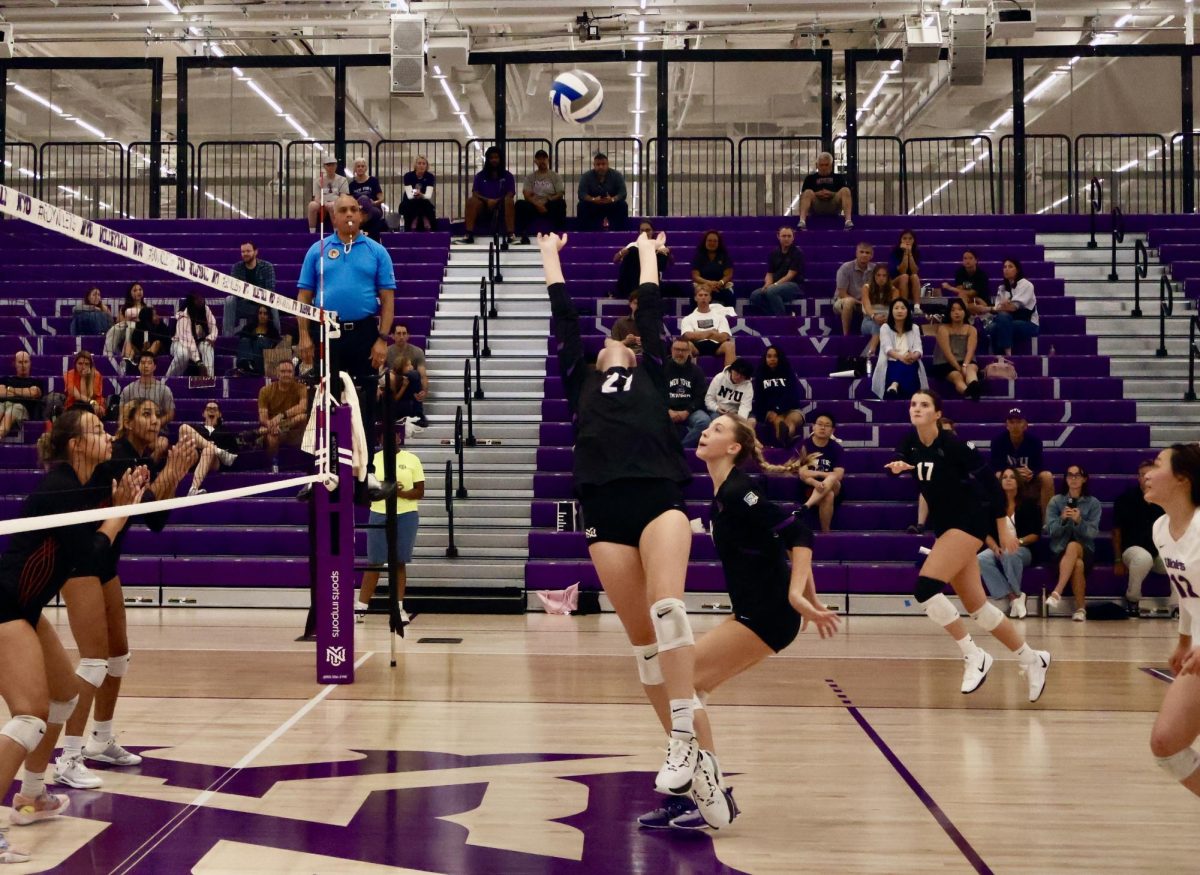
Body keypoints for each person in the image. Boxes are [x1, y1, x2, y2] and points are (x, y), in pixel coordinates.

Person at [540, 229, 732, 829]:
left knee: (669, 607)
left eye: (620, 341)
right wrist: (551, 254)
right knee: (648, 654)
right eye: (606, 344)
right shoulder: (580, 377)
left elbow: (649, 305)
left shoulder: (650, 365)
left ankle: (679, 739)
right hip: (604, 512)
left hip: (657, 499)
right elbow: (564, 315)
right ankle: (708, 782)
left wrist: (646, 249)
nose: (611, 344)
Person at [639, 413, 839, 830]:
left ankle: (711, 792)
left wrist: (797, 595)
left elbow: (799, 534)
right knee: (691, 688)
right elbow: (783, 542)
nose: (706, 432)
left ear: (733, 448)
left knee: (679, 680)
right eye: (707, 427)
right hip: (755, 612)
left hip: (766, 615)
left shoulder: (739, 490)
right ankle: (699, 794)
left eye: (716, 430)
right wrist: (808, 597)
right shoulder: (719, 496)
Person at [0, 409, 147, 863]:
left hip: (23, 606)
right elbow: (91, 558)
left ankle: (33, 795)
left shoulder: (81, 488)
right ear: (75, 445)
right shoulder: (62, 489)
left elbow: (91, 552)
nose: (107, 436)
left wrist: (125, 503)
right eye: (97, 431)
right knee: (29, 716)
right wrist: (117, 518)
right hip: (5, 605)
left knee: (63, 698)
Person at [48, 399, 196, 793]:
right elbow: (146, 508)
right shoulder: (117, 459)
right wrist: (170, 472)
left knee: (117, 657)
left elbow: (154, 516)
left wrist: (175, 472)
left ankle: (101, 738)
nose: (154, 421)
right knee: (94, 662)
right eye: (145, 414)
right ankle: (69, 757)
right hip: (80, 564)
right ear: (126, 423)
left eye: (156, 414)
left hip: (104, 563)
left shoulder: (123, 458)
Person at [886, 389, 1051, 701]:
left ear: (937, 414)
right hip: (945, 525)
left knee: (925, 589)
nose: (916, 409)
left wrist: (1002, 527)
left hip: (970, 521)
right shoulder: (909, 442)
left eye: (924, 405)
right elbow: (899, 463)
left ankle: (973, 654)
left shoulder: (953, 446)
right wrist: (898, 468)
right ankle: (1033, 659)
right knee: (978, 609)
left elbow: (992, 486)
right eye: (913, 404)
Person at [296, 193, 397, 500]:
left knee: (364, 404)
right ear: (333, 217)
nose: (350, 214)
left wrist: (382, 338)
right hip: (328, 331)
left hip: (365, 333)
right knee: (324, 402)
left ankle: (366, 478)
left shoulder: (377, 251)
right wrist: (304, 336)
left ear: (362, 216)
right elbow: (304, 297)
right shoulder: (319, 250)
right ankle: (320, 475)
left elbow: (388, 299)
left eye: (355, 209)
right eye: (344, 210)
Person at [1144, 443, 1200, 798]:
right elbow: (1188, 593)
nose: (1147, 472)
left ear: (1182, 478)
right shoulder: (1161, 529)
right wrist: (1183, 640)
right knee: (1166, 743)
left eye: (1158, 464)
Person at [356, 442, 424, 625]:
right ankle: (361, 608)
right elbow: (365, 489)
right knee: (374, 562)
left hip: (406, 515)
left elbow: (420, 491)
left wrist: (400, 492)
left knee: (399, 562)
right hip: (379, 512)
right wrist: (383, 489)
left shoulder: (412, 459)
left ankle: (398, 607)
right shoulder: (373, 460)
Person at [978, 468, 1041, 619]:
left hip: (1023, 548)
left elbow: (1035, 535)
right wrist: (994, 547)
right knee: (980, 559)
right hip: (998, 546)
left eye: (1012, 477)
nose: (1008, 479)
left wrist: (1017, 542)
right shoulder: (993, 505)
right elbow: (985, 533)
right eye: (1005, 477)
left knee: (1009, 553)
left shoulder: (1029, 504)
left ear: (1018, 482)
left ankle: (1016, 597)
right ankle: (1015, 597)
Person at [1044, 464, 1102, 621]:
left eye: (1077, 475)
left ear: (1084, 479)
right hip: (1059, 551)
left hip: (1085, 550)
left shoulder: (1093, 503)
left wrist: (1079, 521)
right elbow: (1050, 531)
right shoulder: (1056, 501)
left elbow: (1092, 533)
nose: (1074, 478)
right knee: (1077, 565)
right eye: (1070, 475)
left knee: (1074, 546)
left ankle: (1057, 591)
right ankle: (1081, 609)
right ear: (1066, 479)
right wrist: (1062, 520)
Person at [1114, 460, 1167, 614]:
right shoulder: (1126, 498)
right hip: (1132, 550)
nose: (1147, 478)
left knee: (1177, 560)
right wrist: (1118, 560)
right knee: (1143, 558)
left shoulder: (1165, 499)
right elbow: (1116, 532)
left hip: (1158, 551)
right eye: (1143, 475)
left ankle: (1176, 606)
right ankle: (1132, 599)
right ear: (1138, 478)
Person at [989, 408, 1055, 513]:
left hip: (1028, 480)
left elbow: (1039, 465)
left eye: (1019, 422)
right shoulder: (998, 442)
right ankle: (999, 519)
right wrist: (1014, 473)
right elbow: (994, 466)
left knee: (1047, 476)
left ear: (1025, 425)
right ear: (1007, 425)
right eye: (1011, 422)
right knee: (997, 475)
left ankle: (1047, 524)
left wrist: (1032, 473)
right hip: (1008, 478)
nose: (1015, 426)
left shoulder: (1035, 442)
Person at [797, 411, 845, 534]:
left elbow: (838, 475)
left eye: (827, 425)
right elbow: (802, 473)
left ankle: (806, 505)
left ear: (832, 430)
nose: (822, 427)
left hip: (834, 486)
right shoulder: (804, 445)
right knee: (828, 495)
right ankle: (826, 533)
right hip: (809, 486)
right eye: (820, 424)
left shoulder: (836, 448)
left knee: (833, 479)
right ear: (814, 426)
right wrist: (815, 482)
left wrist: (819, 475)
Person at [257, 360, 309, 472]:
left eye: (289, 371)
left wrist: (281, 416)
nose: (286, 374)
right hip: (274, 430)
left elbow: (303, 407)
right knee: (272, 437)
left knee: (302, 417)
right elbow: (263, 417)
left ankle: (307, 465)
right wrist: (270, 424)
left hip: (294, 430)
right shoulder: (265, 391)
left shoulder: (301, 388)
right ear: (277, 373)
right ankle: (273, 465)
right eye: (283, 371)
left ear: (293, 374)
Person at [873, 298, 927, 400]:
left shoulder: (914, 327)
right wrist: (901, 357)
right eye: (896, 308)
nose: (899, 311)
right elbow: (887, 348)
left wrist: (913, 356)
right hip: (891, 361)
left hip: (911, 360)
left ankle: (894, 385)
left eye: (903, 308)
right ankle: (896, 386)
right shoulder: (885, 327)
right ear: (891, 311)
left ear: (908, 311)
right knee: (903, 367)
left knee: (909, 367)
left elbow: (918, 348)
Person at [180, 401, 239, 496]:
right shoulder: (197, 428)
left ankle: (194, 488)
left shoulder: (226, 432)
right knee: (183, 428)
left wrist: (209, 449)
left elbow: (232, 457)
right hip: (194, 458)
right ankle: (216, 450)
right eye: (208, 409)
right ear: (203, 414)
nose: (211, 411)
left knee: (208, 451)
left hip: (214, 462)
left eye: (215, 409)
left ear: (219, 414)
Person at [119, 351, 175, 449]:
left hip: (157, 432)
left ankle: (151, 464)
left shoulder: (164, 389)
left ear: (154, 367)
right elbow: (122, 414)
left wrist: (154, 424)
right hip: (134, 432)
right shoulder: (128, 389)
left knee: (162, 444)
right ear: (138, 366)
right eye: (143, 363)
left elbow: (170, 414)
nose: (146, 366)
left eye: (149, 363)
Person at [462, 146, 516, 244]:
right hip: (484, 207)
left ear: (500, 159)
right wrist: (488, 200)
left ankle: (510, 235)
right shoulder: (479, 176)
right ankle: (469, 235)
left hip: (501, 207)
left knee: (509, 201)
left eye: (496, 157)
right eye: (491, 158)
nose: (494, 160)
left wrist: (497, 201)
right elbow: (475, 193)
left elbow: (510, 193)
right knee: (471, 200)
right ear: (487, 159)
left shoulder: (508, 176)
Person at [751, 346, 804, 447]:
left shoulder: (789, 373)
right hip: (770, 411)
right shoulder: (760, 375)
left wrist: (779, 408)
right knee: (778, 421)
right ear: (765, 359)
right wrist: (773, 410)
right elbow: (759, 399)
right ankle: (787, 442)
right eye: (769, 356)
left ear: (780, 358)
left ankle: (786, 440)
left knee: (791, 421)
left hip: (790, 409)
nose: (772, 359)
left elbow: (793, 395)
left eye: (775, 356)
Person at [931, 298, 983, 400]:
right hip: (945, 363)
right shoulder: (943, 329)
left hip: (966, 361)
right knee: (957, 376)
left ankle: (974, 387)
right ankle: (968, 392)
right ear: (949, 313)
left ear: (964, 311)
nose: (957, 313)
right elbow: (947, 352)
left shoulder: (971, 329)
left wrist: (965, 365)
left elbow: (971, 350)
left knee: (971, 369)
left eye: (960, 309)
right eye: (953, 310)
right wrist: (959, 368)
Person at [225, 242, 279, 338]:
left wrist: (252, 296)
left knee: (273, 303)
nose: (245, 254)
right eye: (243, 252)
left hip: (262, 305)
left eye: (248, 251)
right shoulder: (236, 267)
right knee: (229, 299)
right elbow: (233, 290)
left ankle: (276, 338)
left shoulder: (267, 267)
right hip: (243, 304)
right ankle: (228, 336)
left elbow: (270, 290)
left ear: (256, 252)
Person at [986, 258, 1040, 355]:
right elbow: (998, 308)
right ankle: (1001, 356)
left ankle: (1007, 355)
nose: (1006, 269)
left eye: (1010, 267)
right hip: (1008, 321)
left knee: (1000, 322)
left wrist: (1000, 307)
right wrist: (1003, 306)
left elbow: (1012, 307)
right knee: (992, 327)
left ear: (1017, 270)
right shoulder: (1001, 288)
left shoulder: (1026, 285)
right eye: (1004, 267)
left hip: (1028, 323)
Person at [664, 338, 711, 449]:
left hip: (689, 410)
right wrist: (668, 410)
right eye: (677, 349)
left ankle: (680, 450)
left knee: (705, 422)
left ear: (689, 352)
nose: (680, 353)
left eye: (683, 350)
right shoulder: (661, 369)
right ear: (671, 350)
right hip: (666, 409)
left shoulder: (697, 371)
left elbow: (700, 396)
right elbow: (655, 393)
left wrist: (687, 411)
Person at [748, 226, 805, 316]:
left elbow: (790, 275)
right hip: (775, 285)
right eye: (784, 236)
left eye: (789, 236)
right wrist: (767, 285)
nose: (786, 238)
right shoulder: (774, 252)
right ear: (778, 236)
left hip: (794, 285)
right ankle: (778, 316)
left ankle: (782, 320)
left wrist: (774, 285)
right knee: (755, 296)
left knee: (772, 291)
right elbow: (770, 273)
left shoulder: (797, 253)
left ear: (793, 238)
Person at [516, 149, 567, 243]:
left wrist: (549, 199)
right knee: (520, 204)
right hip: (534, 204)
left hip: (549, 203)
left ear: (548, 160)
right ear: (535, 161)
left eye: (544, 158)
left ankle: (558, 234)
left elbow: (560, 193)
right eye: (539, 159)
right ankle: (521, 234)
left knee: (560, 203)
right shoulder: (530, 177)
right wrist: (537, 204)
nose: (542, 161)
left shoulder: (555, 176)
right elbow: (526, 194)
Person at [384, 323, 428, 428]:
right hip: (393, 385)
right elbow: (380, 370)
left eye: (404, 333)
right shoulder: (386, 351)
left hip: (411, 386)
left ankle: (418, 413)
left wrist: (425, 390)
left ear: (408, 336)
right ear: (392, 336)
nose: (401, 336)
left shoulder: (417, 352)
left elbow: (422, 374)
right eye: (398, 333)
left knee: (414, 374)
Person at [614, 220, 672, 298]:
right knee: (633, 251)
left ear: (652, 232)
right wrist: (621, 253)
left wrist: (668, 253)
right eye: (642, 230)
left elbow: (669, 263)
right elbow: (615, 260)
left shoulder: (659, 245)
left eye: (648, 230)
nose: (645, 233)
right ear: (639, 232)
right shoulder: (633, 245)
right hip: (633, 280)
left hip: (651, 280)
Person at [796, 152, 853, 231]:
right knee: (807, 192)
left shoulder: (839, 177)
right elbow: (803, 196)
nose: (824, 167)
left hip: (833, 205)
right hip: (816, 206)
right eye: (821, 165)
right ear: (817, 165)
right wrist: (817, 194)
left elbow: (845, 195)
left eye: (826, 165)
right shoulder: (810, 178)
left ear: (831, 165)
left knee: (845, 190)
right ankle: (802, 221)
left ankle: (848, 221)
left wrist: (832, 194)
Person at [679, 288, 735, 368]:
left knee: (729, 345)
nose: (703, 297)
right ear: (695, 298)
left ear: (710, 298)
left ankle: (728, 377)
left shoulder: (720, 317)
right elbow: (688, 336)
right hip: (696, 346)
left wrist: (698, 334)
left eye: (706, 295)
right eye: (700, 295)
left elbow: (724, 336)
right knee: (687, 345)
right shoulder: (688, 318)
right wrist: (711, 332)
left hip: (716, 345)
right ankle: (688, 375)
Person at [166, 293, 218, 378]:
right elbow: (189, 342)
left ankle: (208, 378)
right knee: (183, 353)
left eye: (201, 297)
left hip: (198, 341)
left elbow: (213, 327)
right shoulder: (183, 316)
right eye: (197, 299)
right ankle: (168, 379)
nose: (201, 300)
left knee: (207, 345)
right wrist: (199, 362)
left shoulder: (206, 309)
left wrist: (211, 338)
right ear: (191, 302)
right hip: (180, 343)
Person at [576, 152, 628, 232]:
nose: (601, 167)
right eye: (598, 164)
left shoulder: (617, 175)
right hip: (593, 205)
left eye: (603, 164)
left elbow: (622, 193)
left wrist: (613, 199)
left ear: (608, 164)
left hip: (611, 204)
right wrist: (593, 199)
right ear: (594, 165)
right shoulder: (586, 176)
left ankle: (620, 233)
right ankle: (584, 234)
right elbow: (581, 194)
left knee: (623, 205)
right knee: (581, 205)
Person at [0, 352, 44, 440]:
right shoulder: (6, 379)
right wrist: (24, 392)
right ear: (14, 364)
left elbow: (34, 393)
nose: (23, 365)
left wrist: (10, 389)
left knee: (14, 409)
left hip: (22, 408)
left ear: (30, 363)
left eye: (26, 362)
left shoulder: (36, 382)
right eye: (20, 362)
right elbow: (1, 392)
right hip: (4, 404)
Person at [834, 242, 874, 336]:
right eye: (861, 252)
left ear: (871, 255)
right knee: (849, 302)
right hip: (843, 300)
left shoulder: (875, 269)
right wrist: (861, 303)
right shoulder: (845, 268)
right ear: (856, 253)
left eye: (867, 253)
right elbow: (842, 294)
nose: (864, 254)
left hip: (865, 301)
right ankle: (846, 336)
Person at [690, 230, 736, 309]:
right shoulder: (698, 257)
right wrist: (709, 284)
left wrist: (720, 283)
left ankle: (729, 318)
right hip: (703, 286)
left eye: (715, 241)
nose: (712, 243)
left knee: (730, 295)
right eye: (709, 241)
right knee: (693, 294)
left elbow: (728, 275)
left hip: (721, 286)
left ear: (719, 243)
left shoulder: (725, 256)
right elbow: (695, 276)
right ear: (705, 242)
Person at [860, 263, 897, 359]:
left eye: (884, 275)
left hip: (887, 320)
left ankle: (869, 354)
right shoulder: (866, 288)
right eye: (878, 275)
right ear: (874, 276)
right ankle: (871, 353)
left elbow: (895, 309)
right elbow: (867, 306)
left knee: (883, 326)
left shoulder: (894, 291)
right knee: (879, 325)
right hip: (868, 320)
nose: (881, 278)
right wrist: (874, 317)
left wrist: (887, 319)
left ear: (888, 277)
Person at [941, 249, 991, 318]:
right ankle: (965, 314)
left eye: (970, 258)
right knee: (962, 296)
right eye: (965, 258)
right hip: (969, 301)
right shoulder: (960, 272)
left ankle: (963, 314)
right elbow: (961, 291)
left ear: (976, 260)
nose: (967, 261)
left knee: (958, 306)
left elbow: (971, 293)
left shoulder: (981, 275)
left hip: (982, 301)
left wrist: (950, 287)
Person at [235, 305, 282, 376]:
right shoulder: (249, 328)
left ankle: (253, 367)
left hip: (264, 360)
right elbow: (241, 336)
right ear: (257, 315)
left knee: (259, 341)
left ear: (269, 316)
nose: (262, 316)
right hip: (250, 356)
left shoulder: (273, 331)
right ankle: (246, 364)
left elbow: (276, 345)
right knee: (245, 340)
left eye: (265, 314)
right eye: (260, 313)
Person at [105, 281, 146, 357]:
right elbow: (119, 322)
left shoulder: (146, 308)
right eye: (135, 290)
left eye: (140, 290)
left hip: (139, 332)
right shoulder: (125, 307)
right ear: (130, 293)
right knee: (115, 328)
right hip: (124, 330)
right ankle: (108, 354)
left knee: (132, 325)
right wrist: (128, 319)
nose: (138, 292)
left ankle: (126, 353)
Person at [308, 158, 349, 233]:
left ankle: (336, 232)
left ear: (336, 166)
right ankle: (312, 232)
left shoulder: (342, 180)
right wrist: (324, 203)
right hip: (322, 203)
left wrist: (335, 202)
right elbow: (316, 198)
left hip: (336, 203)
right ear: (324, 166)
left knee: (333, 206)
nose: (331, 167)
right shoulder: (318, 180)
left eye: (333, 165)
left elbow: (343, 197)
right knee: (312, 205)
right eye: (328, 165)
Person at [348, 157, 385, 238]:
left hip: (373, 209)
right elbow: (350, 201)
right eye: (358, 166)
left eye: (362, 166)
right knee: (362, 200)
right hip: (358, 210)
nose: (360, 168)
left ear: (366, 168)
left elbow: (382, 199)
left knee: (364, 199)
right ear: (355, 169)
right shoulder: (352, 185)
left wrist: (373, 203)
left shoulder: (373, 181)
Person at [64, 351, 106, 419]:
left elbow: (93, 396)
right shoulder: (69, 375)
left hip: (94, 407)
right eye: (80, 364)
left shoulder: (97, 375)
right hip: (74, 406)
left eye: (86, 364)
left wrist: (95, 405)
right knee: (81, 407)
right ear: (75, 364)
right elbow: (79, 397)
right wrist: (83, 378)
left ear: (90, 366)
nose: (83, 367)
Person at [400, 155, 437, 232]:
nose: (421, 166)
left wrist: (421, 195)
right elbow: (409, 195)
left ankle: (420, 219)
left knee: (425, 204)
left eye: (424, 164)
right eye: (419, 163)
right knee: (412, 203)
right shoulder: (408, 176)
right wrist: (416, 193)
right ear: (415, 165)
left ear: (426, 166)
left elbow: (428, 195)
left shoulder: (430, 176)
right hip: (409, 200)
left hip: (423, 200)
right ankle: (419, 219)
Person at [888, 229, 922, 304]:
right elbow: (902, 271)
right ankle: (904, 305)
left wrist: (909, 253)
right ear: (900, 240)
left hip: (911, 284)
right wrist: (905, 253)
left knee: (915, 277)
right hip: (895, 283)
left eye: (910, 238)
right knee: (904, 276)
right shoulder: (895, 251)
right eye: (904, 238)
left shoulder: (917, 252)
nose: (907, 241)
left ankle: (917, 306)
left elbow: (914, 271)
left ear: (914, 240)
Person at [610, 289, 643, 355]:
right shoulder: (620, 323)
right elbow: (612, 347)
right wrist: (626, 341)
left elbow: (660, 346)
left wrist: (644, 341)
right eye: (635, 303)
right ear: (630, 304)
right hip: (624, 357)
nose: (638, 307)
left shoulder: (653, 323)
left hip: (646, 357)